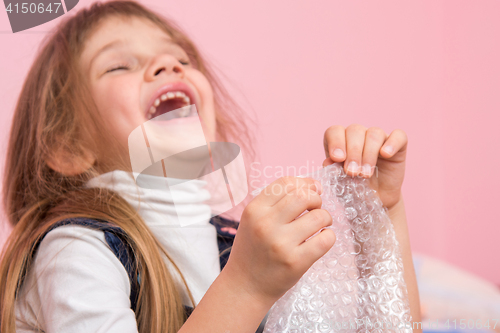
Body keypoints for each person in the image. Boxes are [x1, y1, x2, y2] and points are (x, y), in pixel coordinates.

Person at [0, 1, 422, 332]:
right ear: (68, 145)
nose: (170, 66)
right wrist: (245, 287)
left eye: (181, 58)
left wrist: (380, 213)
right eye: (119, 65)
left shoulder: (235, 247)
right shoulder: (76, 250)